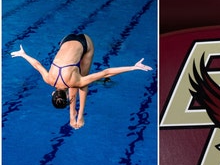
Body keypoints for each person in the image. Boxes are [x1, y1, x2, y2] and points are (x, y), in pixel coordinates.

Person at [11, 33, 153, 129]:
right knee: (78, 81)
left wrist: (134, 68)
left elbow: (106, 73)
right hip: (66, 39)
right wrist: (23, 54)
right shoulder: (48, 79)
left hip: (85, 44)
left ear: (66, 97)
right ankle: (74, 115)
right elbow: (37, 65)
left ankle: (78, 115)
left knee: (82, 81)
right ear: (53, 94)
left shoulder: (76, 82)